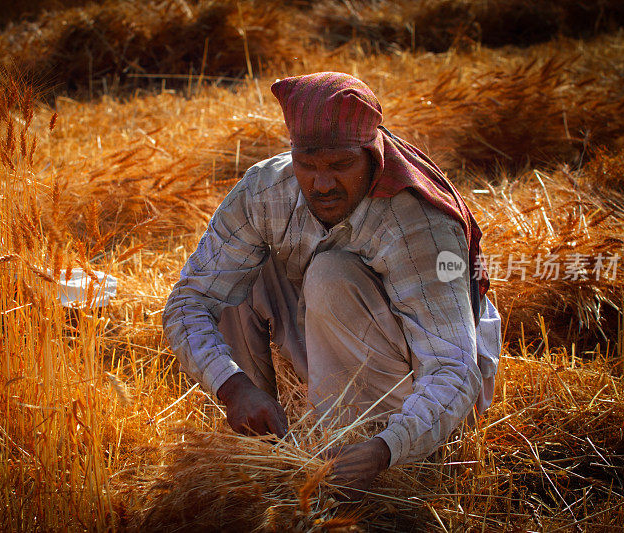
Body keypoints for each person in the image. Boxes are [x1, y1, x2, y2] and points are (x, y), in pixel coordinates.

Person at [162, 72, 501, 493]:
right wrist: (233, 388)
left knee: (329, 273)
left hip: (423, 389)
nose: (322, 184)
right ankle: (269, 444)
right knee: (237, 278)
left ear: (371, 153)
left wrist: (386, 448)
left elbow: (452, 368)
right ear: (292, 154)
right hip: (339, 341)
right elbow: (189, 301)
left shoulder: (419, 223)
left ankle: (347, 448)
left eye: (341, 166)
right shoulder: (266, 191)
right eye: (308, 165)